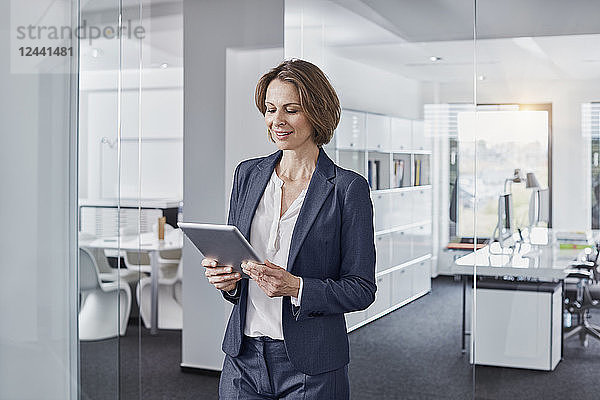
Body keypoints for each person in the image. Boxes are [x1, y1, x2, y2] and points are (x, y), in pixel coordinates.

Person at [202, 59, 376, 399]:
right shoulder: (248, 174)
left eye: (291, 110)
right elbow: (236, 260)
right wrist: (226, 279)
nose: (276, 121)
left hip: (312, 366)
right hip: (243, 359)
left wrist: (297, 287)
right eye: (269, 109)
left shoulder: (347, 189)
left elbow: (361, 289)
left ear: (317, 113)